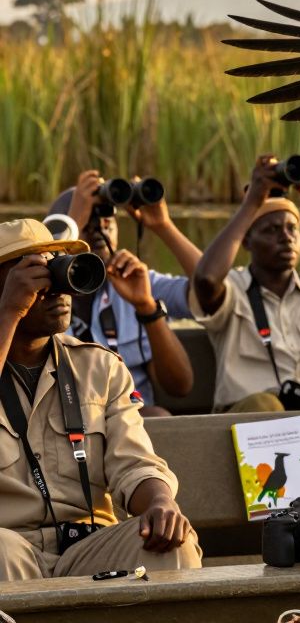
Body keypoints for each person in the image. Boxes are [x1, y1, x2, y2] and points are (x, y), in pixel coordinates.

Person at [0, 219, 201, 581]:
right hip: (10, 548)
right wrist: (9, 313)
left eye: (58, 269)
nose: (56, 287)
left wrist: (159, 502)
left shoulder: (98, 367)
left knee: (172, 544)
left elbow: (134, 463)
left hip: (88, 548)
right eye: (33, 273)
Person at [189, 155, 300, 413]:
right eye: (271, 230)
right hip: (249, 422)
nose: (286, 238)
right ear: (247, 242)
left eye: (292, 229)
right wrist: (252, 203)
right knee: (265, 406)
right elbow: (205, 280)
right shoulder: (234, 287)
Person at [50, 171, 203, 416]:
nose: (101, 232)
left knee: (158, 416)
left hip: (131, 422)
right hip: (64, 425)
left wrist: (147, 308)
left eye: (107, 224)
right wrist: (71, 226)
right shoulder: (39, 296)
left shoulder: (137, 282)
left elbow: (209, 287)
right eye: (87, 227)